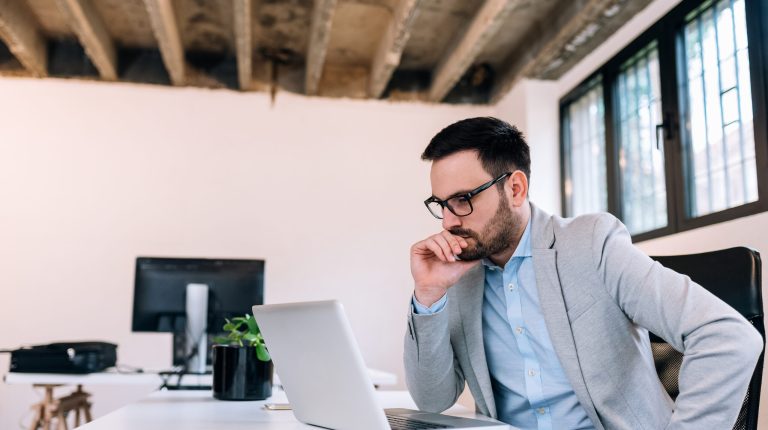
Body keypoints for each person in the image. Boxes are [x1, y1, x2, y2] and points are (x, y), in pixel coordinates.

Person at [404, 117, 763, 430]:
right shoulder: (460, 273)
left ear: (515, 188)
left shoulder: (592, 244)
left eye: (463, 199)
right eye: (441, 204)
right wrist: (429, 295)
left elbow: (729, 337)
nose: (450, 221)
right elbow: (432, 400)